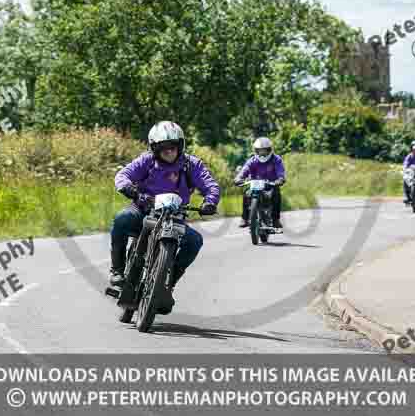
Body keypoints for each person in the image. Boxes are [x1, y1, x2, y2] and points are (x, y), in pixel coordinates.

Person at [110, 121, 220, 314]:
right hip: (143, 210)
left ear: (180, 146)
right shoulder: (146, 161)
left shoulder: (191, 164)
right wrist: (128, 188)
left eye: (173, 147)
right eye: (163, 148)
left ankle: (168, 284)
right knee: (121, 219)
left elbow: (210, 184)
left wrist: (210, 202)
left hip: (175, 217)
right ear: (154, 148)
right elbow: (124, 174)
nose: (169, 151)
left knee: (195, 241)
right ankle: (117, 271)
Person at [233, 137, 286, 229]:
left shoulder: (276, 160)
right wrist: (238, 178)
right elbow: (244, 171)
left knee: (277, 194)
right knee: (246, 193)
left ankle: (275, 219)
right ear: (255, 151)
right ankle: (244, 218)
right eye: (260, 151)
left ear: (269, 150)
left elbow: (280, 171)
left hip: (271, 185)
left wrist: (280, 179)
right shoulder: (252, 161)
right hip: (255, 185)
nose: (262, 153)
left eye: (265, 151)